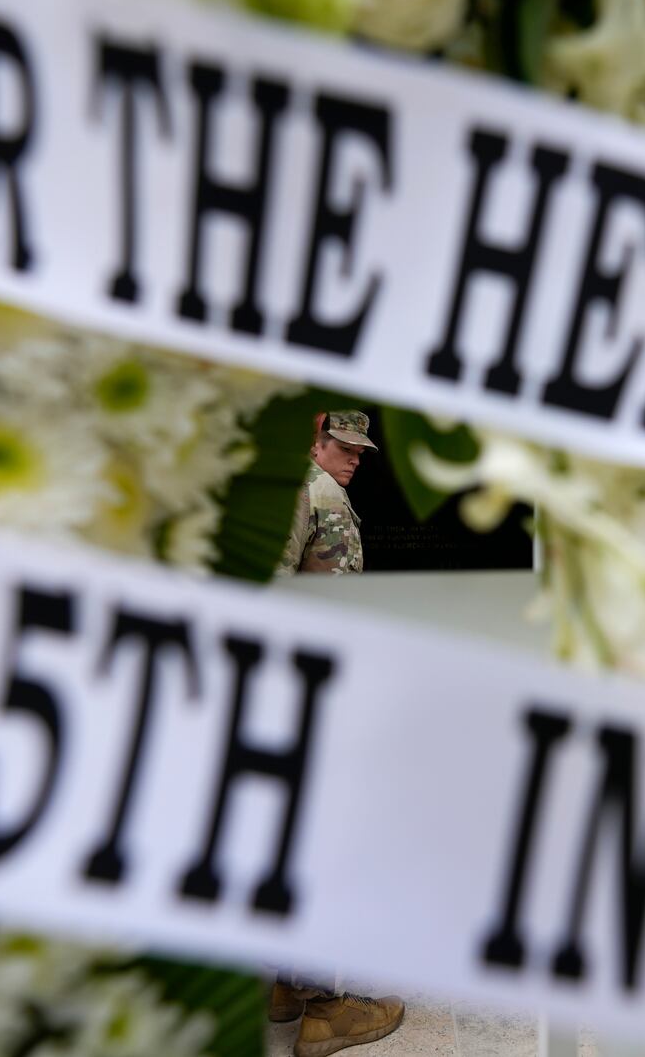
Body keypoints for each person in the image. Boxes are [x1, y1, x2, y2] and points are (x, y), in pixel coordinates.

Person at [271, 409, 405, 1055]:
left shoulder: (317, 492)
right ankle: (323, 1008)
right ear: (317, 441)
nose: (354, 457)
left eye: (360, 449)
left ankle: (287, 985)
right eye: (343, 446)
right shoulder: (309, 494)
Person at [275, 410, 374, 576]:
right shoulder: (324, 489)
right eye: (346, 449)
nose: (356, 461)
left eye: (359, 453)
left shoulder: (285, 475)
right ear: (315, 443)